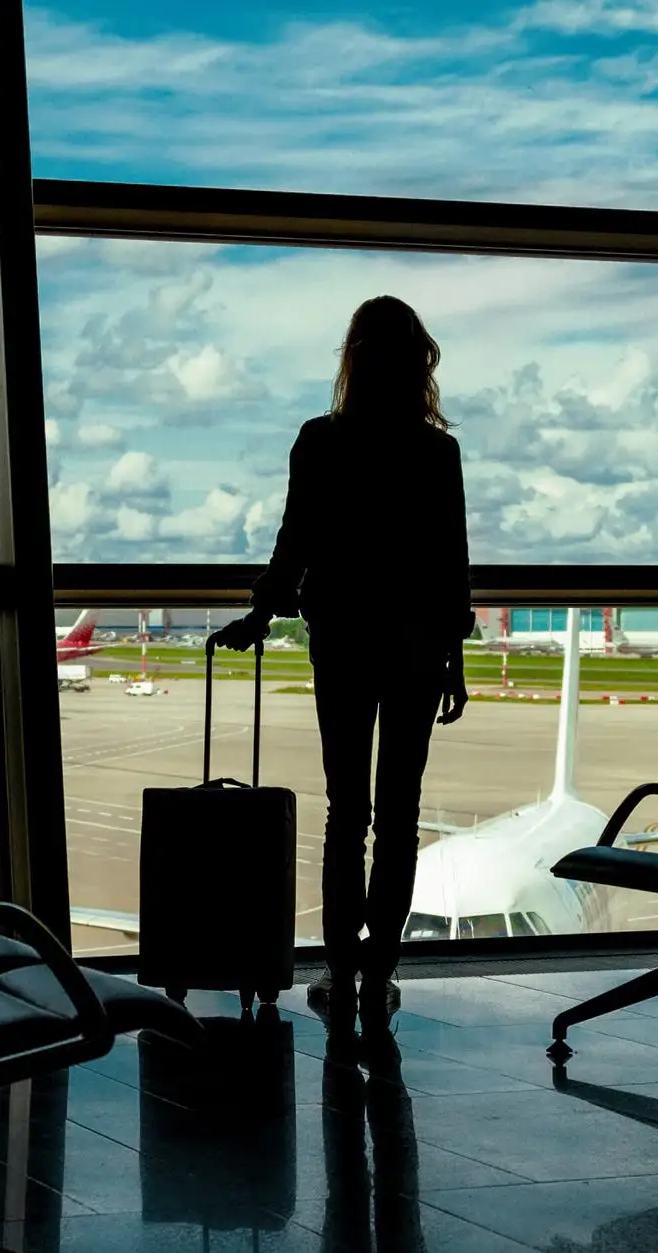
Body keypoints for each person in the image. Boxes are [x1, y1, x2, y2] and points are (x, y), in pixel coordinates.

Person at [212, 295, 471, 1014]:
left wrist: (262, 611)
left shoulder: (320, 441)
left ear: (352, 359)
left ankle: (340, 974)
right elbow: (450, 561)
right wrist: (454, 657)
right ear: (419, 360)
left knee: (345, 814)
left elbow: (293, 540)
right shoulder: (434, 449)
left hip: (344, 639)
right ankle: (380, 974)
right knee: (399, 816)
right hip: (417, 642)